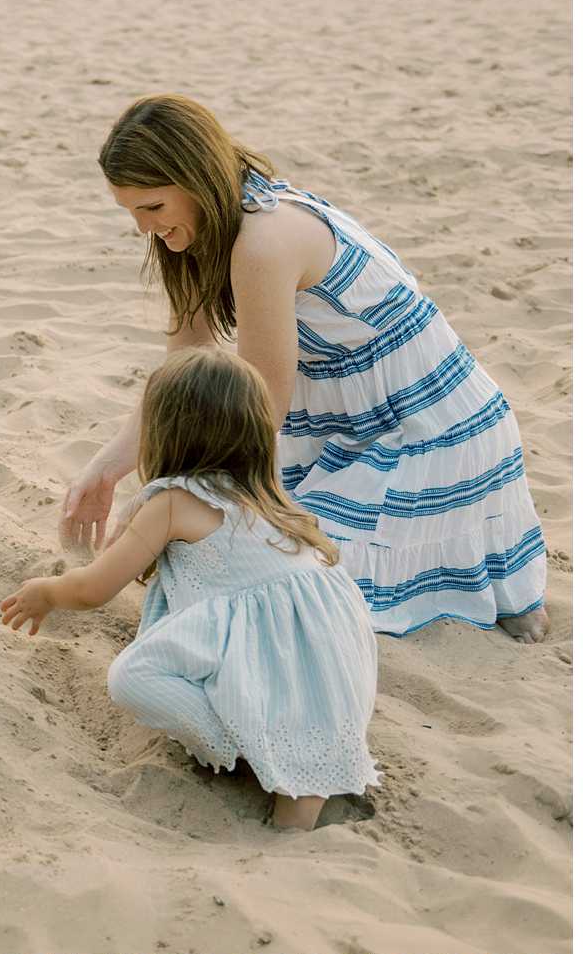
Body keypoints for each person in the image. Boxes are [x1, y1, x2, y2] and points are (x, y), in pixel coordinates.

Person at [63, 94, 548, 641]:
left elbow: (260, 406)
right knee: (224, 555)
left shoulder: (263, 240)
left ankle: (487, 586)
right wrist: (108, 468)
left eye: (152, 208)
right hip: (343, 432)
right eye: (131, 213)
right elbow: (183, 375)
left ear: (195, 179)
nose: (144, 229)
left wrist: (168, 498)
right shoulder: (205, 233)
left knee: (274, 577)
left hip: (427, 434)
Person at [3, 348, 379, 830]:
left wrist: (49, 592)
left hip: (278, 659)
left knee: (130, 677)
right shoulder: (264, 491)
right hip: (332, 664)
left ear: (168, 431)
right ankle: (304, 770)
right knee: (296, 795)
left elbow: (95, 589)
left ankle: (246, 743)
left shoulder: (175, 500)